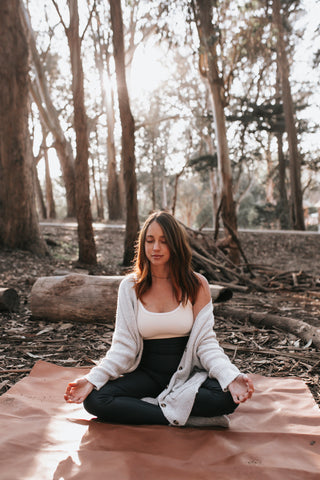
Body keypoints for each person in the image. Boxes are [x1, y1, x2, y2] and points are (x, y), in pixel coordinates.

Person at [64, 211, 254, 427]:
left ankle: (156, 409)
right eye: (150, 240)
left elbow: (206, 344)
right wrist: (92, 379)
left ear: (176, 245)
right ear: (143, 244)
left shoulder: (197, 284)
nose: (155, 248)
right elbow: (122, 348)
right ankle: (186, 418)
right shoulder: (130, 287)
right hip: (146, 376)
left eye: (164, 241)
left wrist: (230, 377)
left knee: (227, 397)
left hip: (187, 377)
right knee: (95, 400)